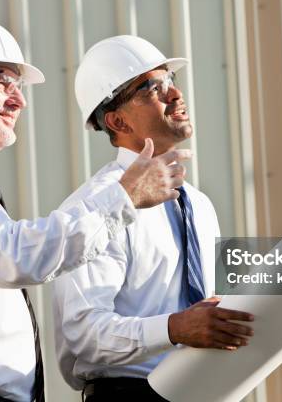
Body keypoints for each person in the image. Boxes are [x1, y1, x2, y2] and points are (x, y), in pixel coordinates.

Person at [0, 19, 190, 402]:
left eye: (18, 85)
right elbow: (7, 258)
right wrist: (121, 201)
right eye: (0, 81)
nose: (19, 99)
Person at [52, 35, 255, 401]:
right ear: (117, 121)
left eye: (171, 82)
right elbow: (83, 335)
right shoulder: (94, 208)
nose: (175, 95)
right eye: (153, 88)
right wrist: (175, 328)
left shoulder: (200, 206)